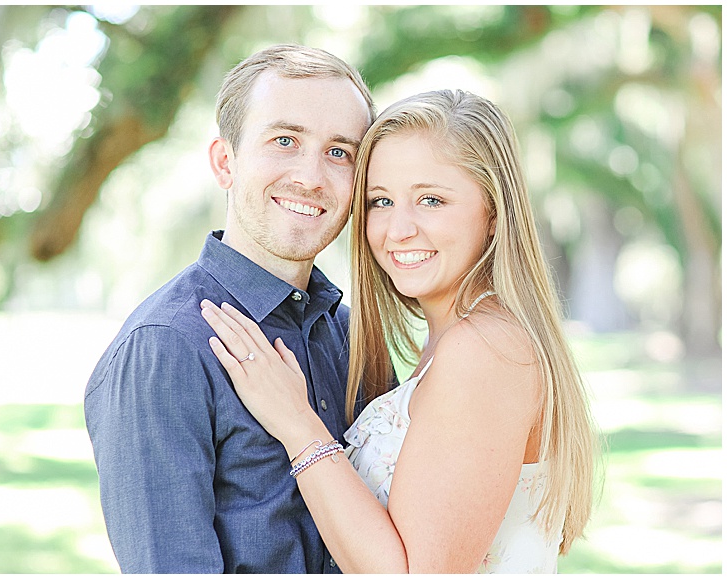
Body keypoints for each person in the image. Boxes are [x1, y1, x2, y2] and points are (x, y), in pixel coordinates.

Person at [201, 89, 598, 573]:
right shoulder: (451, 341)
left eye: (431, 200)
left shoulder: (485, 350)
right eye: (381, 201)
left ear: (493, 213)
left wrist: (296, 425)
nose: (398, 229)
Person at [83, 44, 375, 573]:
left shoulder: (353, 337)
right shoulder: (165, 346)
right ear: (225, 161)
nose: (311, 177)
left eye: (339, 152)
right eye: (285, 141)